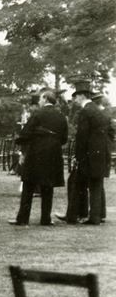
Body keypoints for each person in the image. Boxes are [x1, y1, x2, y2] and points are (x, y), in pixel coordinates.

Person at [9, 89, 67, 226]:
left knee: (28, 185)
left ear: (46, 98)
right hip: (53, 154)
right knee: (48, 187)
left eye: (40, 99)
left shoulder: (38, 114)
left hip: (37, 153)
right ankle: (45, 219)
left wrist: (22, 144)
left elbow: (25, 133)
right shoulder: (61, 116)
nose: (39, 101)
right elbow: (64, 139)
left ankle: (23, 219)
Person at [68, 81, 109, 225]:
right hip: (101, 153)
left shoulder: (85, 112)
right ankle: (96, 216)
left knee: (81, 183)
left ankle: (77, 215)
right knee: (96, 185)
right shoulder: (99, 111)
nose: (75, 100)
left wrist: (77, 156)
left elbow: (82, 137)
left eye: (75, 97)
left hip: (89, 155)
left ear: (80, 96)